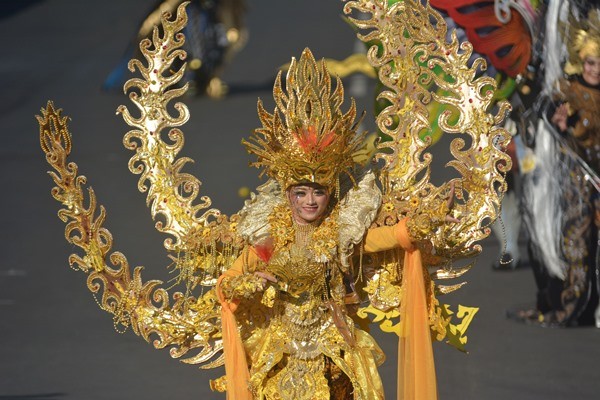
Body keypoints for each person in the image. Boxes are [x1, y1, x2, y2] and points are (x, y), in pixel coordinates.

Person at [36, 1, 510, 399]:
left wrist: (430, 220)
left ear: (331, 189)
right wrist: (253, 281)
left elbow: (390, 237)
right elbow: (227, 286)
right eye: (299, 192)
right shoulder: (267, 232)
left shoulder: (348, 227)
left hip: (339, 361)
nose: (309, 201)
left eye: (317, 191)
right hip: (280, 362)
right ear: (285, 191)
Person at [518, 7, 600, 327]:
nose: (595, 70)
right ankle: (574, 303)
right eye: (591, 62)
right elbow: (548, 112)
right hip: (578, 180)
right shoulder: (567, 88)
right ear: (581, 60)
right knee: (577, 243)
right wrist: (560, 120)